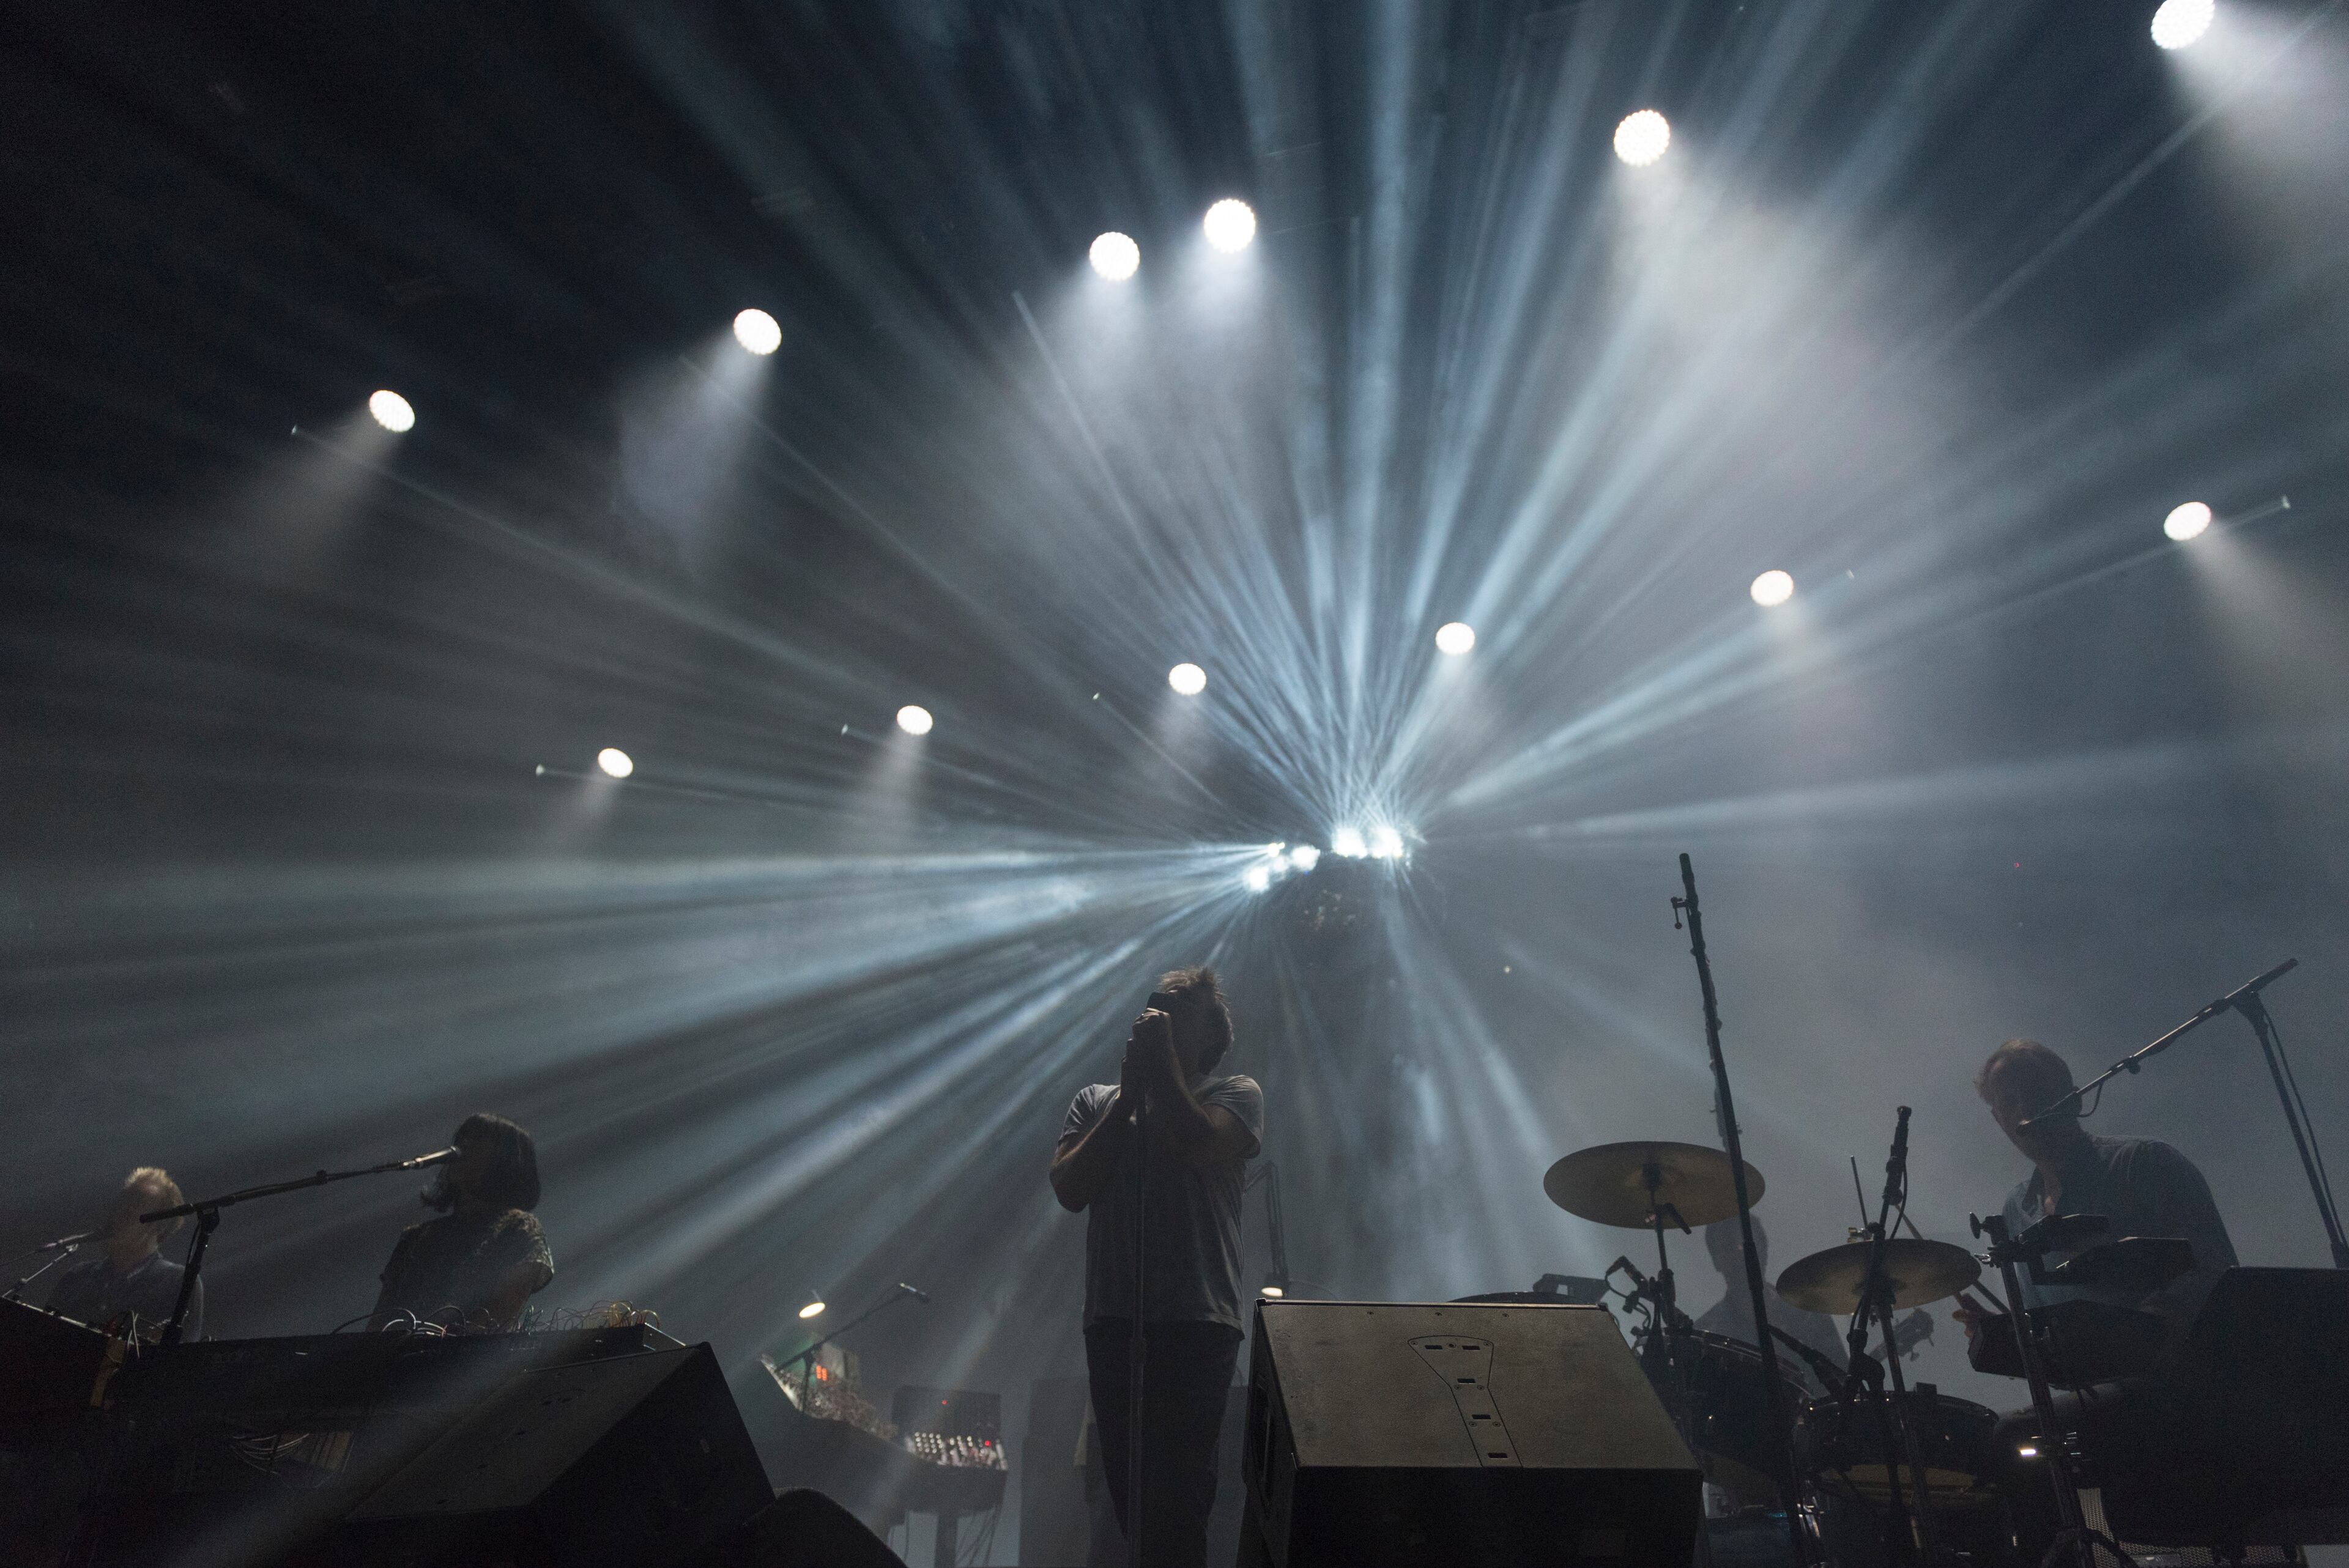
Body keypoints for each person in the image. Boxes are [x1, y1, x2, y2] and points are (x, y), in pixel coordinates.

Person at [1956, 1038, 2240, 1560]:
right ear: (1996, 1119)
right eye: (2008, 1101)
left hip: (2178, 1382)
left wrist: (2138, 1327)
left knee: (2012, 1438)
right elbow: (2046, 1330)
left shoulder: (2144, 1163)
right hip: (2091, 1393)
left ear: (2072, 1094)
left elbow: (2216, 1274)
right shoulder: (2013, 1211)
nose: (2024, 1108)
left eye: (2034, 1091)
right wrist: (2002, 1337)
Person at [1050, 967, 1263, 1568]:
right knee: (1130, 1500)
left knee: (1179, 1497)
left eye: (1180, 1009)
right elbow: (1069, 1186)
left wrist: (1161, 1073)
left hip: (1197, 1320)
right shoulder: (1095, 1102)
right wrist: (1123, 1104)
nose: (1160, 1014)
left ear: (1211, 1035)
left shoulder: (1235, 1093)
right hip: (1117, 1318)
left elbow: (1198, 1141)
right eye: (1157, 1005)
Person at [368, 1113, 554, 1333]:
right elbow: (379, 1322)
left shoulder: (519, 1227)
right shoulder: (415, 1237)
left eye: (478, 1140)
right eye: (463, 1138)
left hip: (459, 1361)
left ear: (506, 1161)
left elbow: (498, 1316)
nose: (463, 1146)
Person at [45, 1166, 202, 1343]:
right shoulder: (79, 1276)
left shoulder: (179, 1282)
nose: (117, 1216)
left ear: (159, 1226)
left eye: (130, 1212)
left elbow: (183, 1359)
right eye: (120, 1205)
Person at [1693, 1217, 1845, 1394]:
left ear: (1764, 1249)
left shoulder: (1807, 1309)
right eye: (1729, 1245)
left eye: (1747, 1243)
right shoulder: (1709, 1334)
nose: (1741, 1250)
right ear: (1716, 1261)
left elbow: (1842, 1375)